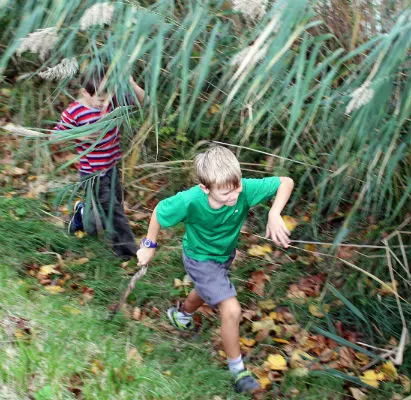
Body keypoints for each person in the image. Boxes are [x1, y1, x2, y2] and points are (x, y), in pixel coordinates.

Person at [136, 145, 294, 393]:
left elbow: (285, 182)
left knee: (208, 289)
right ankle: (238, 371)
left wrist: (275, 212)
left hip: (223, 256)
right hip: (199, 258)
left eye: (237, 188)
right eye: (225, 194)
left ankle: (181, 316)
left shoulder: (240, 189)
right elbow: (159, 211)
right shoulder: (190, 200)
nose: (234, 197)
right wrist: (149, 245)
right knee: (231, 308)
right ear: (205, 188)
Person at [54, 66, 146, 260]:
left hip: (112, 167)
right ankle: (128, 254)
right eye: (99, 99)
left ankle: (82, 215)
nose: (104, 104)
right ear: (85, 93)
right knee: (114, 212)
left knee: (111, 207)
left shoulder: (113, 102)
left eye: (107, 97)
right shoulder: (75, 111)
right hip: (92, 174)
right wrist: (82, 135)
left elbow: (143, 101)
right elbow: (56, 137)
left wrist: (131, 84)